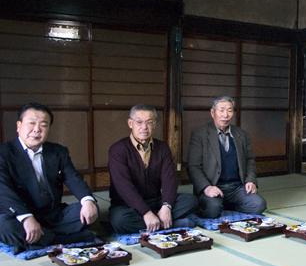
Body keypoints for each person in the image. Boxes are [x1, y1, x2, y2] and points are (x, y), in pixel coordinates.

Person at [0, 103, 98, 252]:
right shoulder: (4, 153)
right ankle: (65, 239)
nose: (37, 129)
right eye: (31, 123)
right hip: (19, 214)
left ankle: (42, 238)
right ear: (18, 126)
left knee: (90, 209)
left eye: (43, 125)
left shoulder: (58, 151)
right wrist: (26, 217)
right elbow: (3, 190)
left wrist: (87, 200)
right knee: (5, 227)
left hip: (52, 214)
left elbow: (73, 178)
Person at [108, 105, 198, 233]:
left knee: (191, 201)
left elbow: (169, 180)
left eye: (149, 122)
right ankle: (173, 224)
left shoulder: (162, 148)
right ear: (130, 123)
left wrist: (166, 206)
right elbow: (123, 187)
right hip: (128, 205)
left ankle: (155, 223)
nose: (144, 127)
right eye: (139, 122)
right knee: (119, 221)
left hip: (155, 201)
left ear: (154, 124)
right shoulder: (118, 150)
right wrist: (146, 212)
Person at [187, 96, 266, 218]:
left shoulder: (241, 134)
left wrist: (251, 180)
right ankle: (218, 204)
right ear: (212, 112)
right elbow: (193, 166)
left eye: (229, 110)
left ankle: (227, 204)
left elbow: (250, 160)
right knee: (213, 210)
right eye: (222, 110)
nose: (226, 115)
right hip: (213, 186)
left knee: (259, 205)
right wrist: (206, 187)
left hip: (236, 187)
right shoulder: (200, 134)